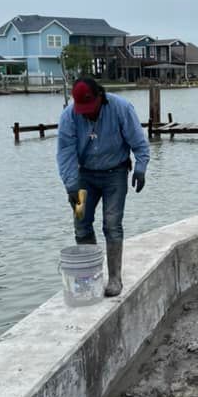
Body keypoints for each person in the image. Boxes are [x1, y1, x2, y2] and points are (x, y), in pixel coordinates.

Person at [57, 77, 150, 297]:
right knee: (81, 224)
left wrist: (141, 167)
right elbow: (65, 152)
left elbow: (139, 141)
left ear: (101, 96)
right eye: (83, 110)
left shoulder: (122, 108)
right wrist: (70, 185)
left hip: (115, 173)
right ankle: (91, 276)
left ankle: (115, 278)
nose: (88, 114)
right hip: (83, 176)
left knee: (112, 224)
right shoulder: (69, 116)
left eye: (91, 108)